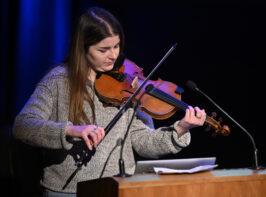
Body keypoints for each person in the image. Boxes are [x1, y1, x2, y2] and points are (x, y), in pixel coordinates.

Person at [12, 6, 206, 197]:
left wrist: (179, 129)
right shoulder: (59, 80)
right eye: (103, 50)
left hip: (119, 188)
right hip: (68, 191)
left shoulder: (130, 83)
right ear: (83, 48)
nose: (113, 55)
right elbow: (23, 126)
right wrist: (70, 130)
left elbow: (142, 142)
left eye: (116, 46)